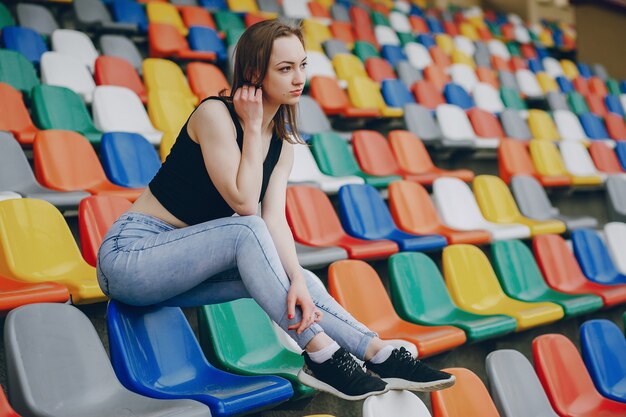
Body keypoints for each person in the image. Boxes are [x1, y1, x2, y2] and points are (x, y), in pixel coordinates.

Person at [96, 19, 454, 401]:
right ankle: (319, 353)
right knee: (245, 230)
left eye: (302, 65)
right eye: (285, 69)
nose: (298, 78)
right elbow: (245, 205)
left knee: (303, 282)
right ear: (254, 74)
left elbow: (274, 220)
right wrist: (251, 129)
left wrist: (297, 277)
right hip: (129, 258)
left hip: (180, 272)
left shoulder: (282, 144)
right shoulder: (214, 115)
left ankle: (377, 353)